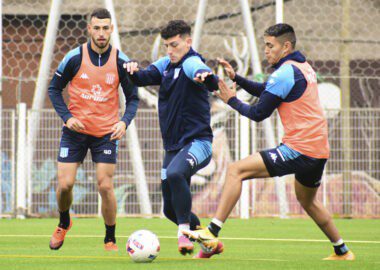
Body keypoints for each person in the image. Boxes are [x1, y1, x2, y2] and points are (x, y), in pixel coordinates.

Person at [183, 23, 355, 261]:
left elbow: (258, 113)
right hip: (317, 151)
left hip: (299, 149)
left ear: (286, 46)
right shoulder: (302, 67)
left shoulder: (285, 72)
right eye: (265, 45)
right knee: (308, 201)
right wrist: (238, 78)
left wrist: (231, 99)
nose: (266, 50)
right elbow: (268, 89)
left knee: (235, 170)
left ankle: (211, 233)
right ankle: (342, 251)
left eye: (270, 45)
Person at [124, 20, 221, 257]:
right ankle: (208, 242)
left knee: (177, 174)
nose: (169, 50)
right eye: (166, 45)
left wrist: (204, 76)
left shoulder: (191, 62)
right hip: (173, 149)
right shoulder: (166, 64)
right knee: (169, 209)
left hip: (199, 144)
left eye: (174, 45)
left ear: (188, 42)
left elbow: (203, 74)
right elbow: (143, 77)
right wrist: (131, 69)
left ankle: (183, 233)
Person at [48, 8, 139, 251]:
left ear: (112, 29)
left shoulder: (121, 61)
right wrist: (67, 117)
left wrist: (124, 122)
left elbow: (133, 98)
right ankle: (64, 222)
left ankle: (110, 237)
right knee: (65, 185)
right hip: (75, 132)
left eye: (105, 28)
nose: (101, 33)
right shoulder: (74, 57)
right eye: (96, 28)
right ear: (89, 29)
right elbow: (53, 89)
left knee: (105, 185)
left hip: (105, 134)